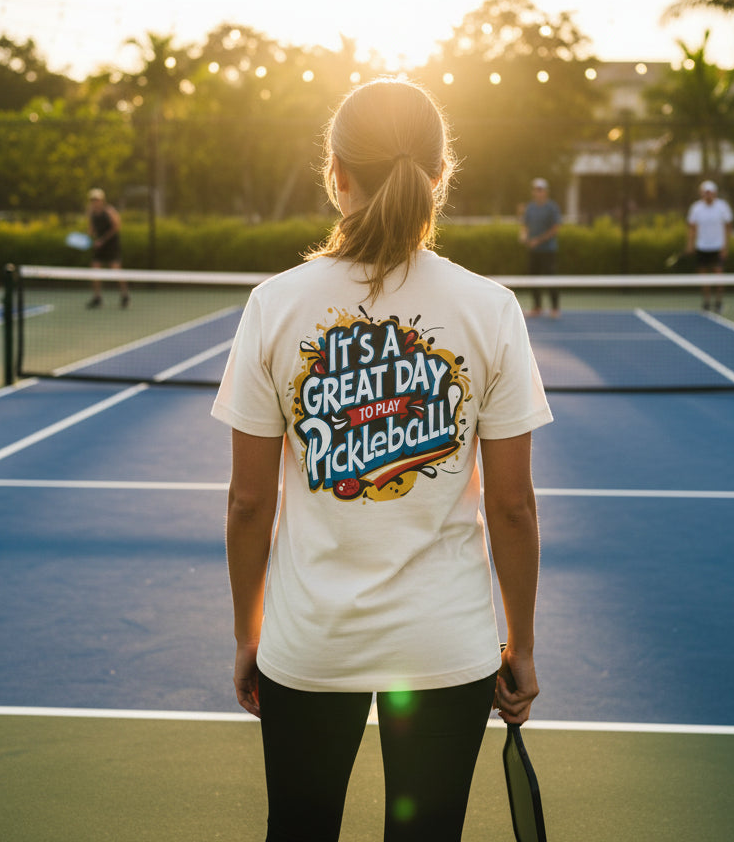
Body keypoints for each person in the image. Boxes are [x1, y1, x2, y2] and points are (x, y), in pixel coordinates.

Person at [211, 78, 552, 842]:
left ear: (336, 173)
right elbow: (512, 506)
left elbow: (247, 504)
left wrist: (247, 633)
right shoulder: (490, 308)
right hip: (447, 646)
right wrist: (520, 644)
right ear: (440, 175)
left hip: (308, 642)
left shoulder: (274, 303)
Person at [686, 179, 734, 312]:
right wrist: (690, 245)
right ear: (702, 193)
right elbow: (692, 228)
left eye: (710, 192)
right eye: (705, 192)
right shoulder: (696, 208)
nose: (708, 195)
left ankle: (718, 303)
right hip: (702, 247)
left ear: (715, 193)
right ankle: (706, 303)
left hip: (718, 248)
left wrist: (725, 247)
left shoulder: (722, 206)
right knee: (704, 279)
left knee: (719, 277)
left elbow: (728, 227)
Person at [520, 177, 562, 317]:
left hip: (548, 250)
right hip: (533, 250)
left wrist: (538, 240)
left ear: (545, 191)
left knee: (551, 278)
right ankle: (537, 307)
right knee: (533, 279)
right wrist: (525, 236)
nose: (538, 192)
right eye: (536, 190)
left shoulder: (552, 207)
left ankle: (555, 308)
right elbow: (525, 226)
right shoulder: (530, 207)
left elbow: (555, 228)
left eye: (541, 190)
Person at [85, 188, 130, 309]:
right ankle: (97, 298)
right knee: (95, 271)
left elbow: (116, 227)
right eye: (93, 199)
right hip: (99, 246)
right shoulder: (91, 213)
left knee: (116, 270)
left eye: (97, 199)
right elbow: (91, 229)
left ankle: (125, 295)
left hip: (112, 245)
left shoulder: (109, 211)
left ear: (102, 200)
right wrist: (90, 238)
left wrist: (102, 240)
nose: (95, 201)